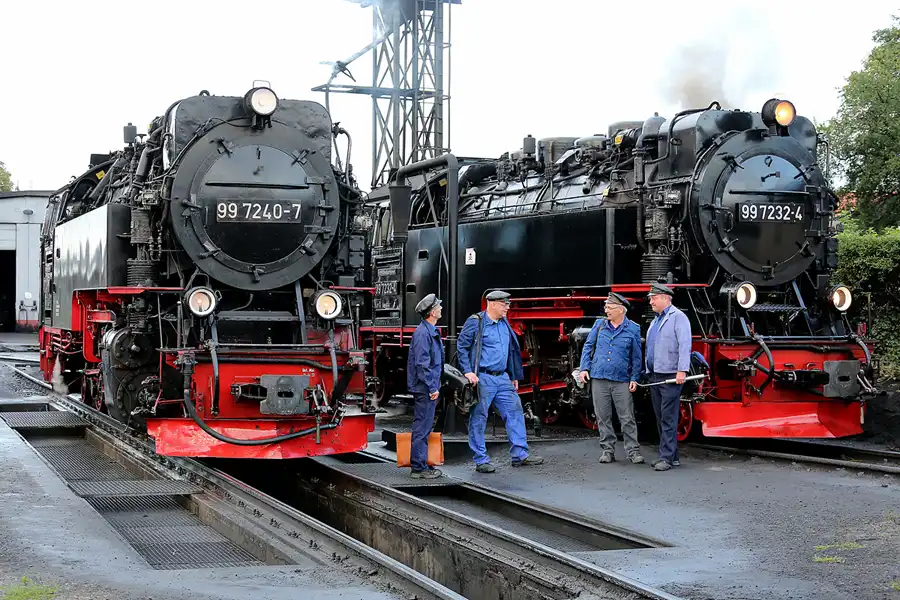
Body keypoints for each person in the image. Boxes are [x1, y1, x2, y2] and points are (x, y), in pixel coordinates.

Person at [457, 290, 544, 473]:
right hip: (483, 377)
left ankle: (520, 455)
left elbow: (511, 351)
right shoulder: (476, 322)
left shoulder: (504, 323)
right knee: (479, 417)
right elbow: (462, 347)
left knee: (515, 412)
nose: (508, 307)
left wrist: (513, 375)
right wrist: (468, 372)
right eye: (505, 304)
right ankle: (481, 460)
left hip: (503, 377)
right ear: (493, 304)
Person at [577, 292, 644, 464]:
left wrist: (635, 378)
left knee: (627, 417)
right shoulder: (599, 325)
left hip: (621, 379)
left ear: (621, 310)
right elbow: (588, 346)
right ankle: (607, 450)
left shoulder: (633, 329)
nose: (606, 310)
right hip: (599, 377)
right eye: (606, 307)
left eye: (610, 307)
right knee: (602, 416)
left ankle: (633, 451)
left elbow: (637, 356)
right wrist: (584, 368)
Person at [643, 282, 692, 471]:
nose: (650, 302)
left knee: (668, 417)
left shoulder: (678, 317)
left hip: (671, 374)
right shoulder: (655, 320)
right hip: (655, 374)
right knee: (660, 416)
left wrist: (682, 370)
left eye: (653, 298)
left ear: (665, 298)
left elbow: (685, 344)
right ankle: (673, 456)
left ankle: (666, 458)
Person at [406, 293, 445, 479]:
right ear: (432, 312)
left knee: (424, 426)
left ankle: (421, 464)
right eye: (438, 306)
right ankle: (418, 468)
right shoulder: (424, 333)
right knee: (422, 427)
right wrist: (432, 387)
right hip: (424, 388)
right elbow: (422, 364)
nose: (441, 308)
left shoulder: (428, 331)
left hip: (426, 386)